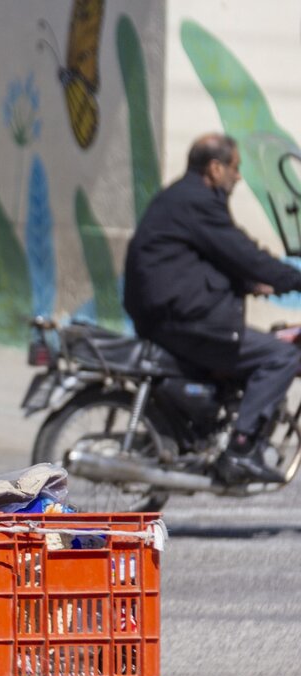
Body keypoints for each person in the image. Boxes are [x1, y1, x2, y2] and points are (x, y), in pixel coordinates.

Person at [123, 132, 301, 484]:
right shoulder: (199, 202)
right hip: (183, 320)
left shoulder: (183, 198)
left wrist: (250, 283)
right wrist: (292, 279)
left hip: (169, 314)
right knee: (280, 356)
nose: (238, 177)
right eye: (235, 168)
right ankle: (240, 449)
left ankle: (211, 432)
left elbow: (209, 256)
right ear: (215, 168)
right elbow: (240, 253)